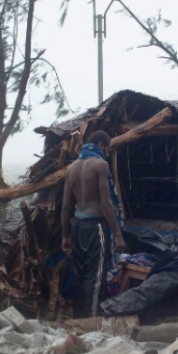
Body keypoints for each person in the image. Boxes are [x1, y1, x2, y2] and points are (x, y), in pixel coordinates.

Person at [61, 130, 126, 317]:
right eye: (108, 148)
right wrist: (118, 234)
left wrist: (65, 236)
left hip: (77, 226)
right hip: (95, 226)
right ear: (102, 145)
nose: (107, 153)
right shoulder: (100, 165)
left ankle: (77, 318)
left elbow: (66, 206)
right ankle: (91, 321)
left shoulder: (71, 168)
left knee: (80, 275)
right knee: (95, 276)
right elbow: (106, 203)